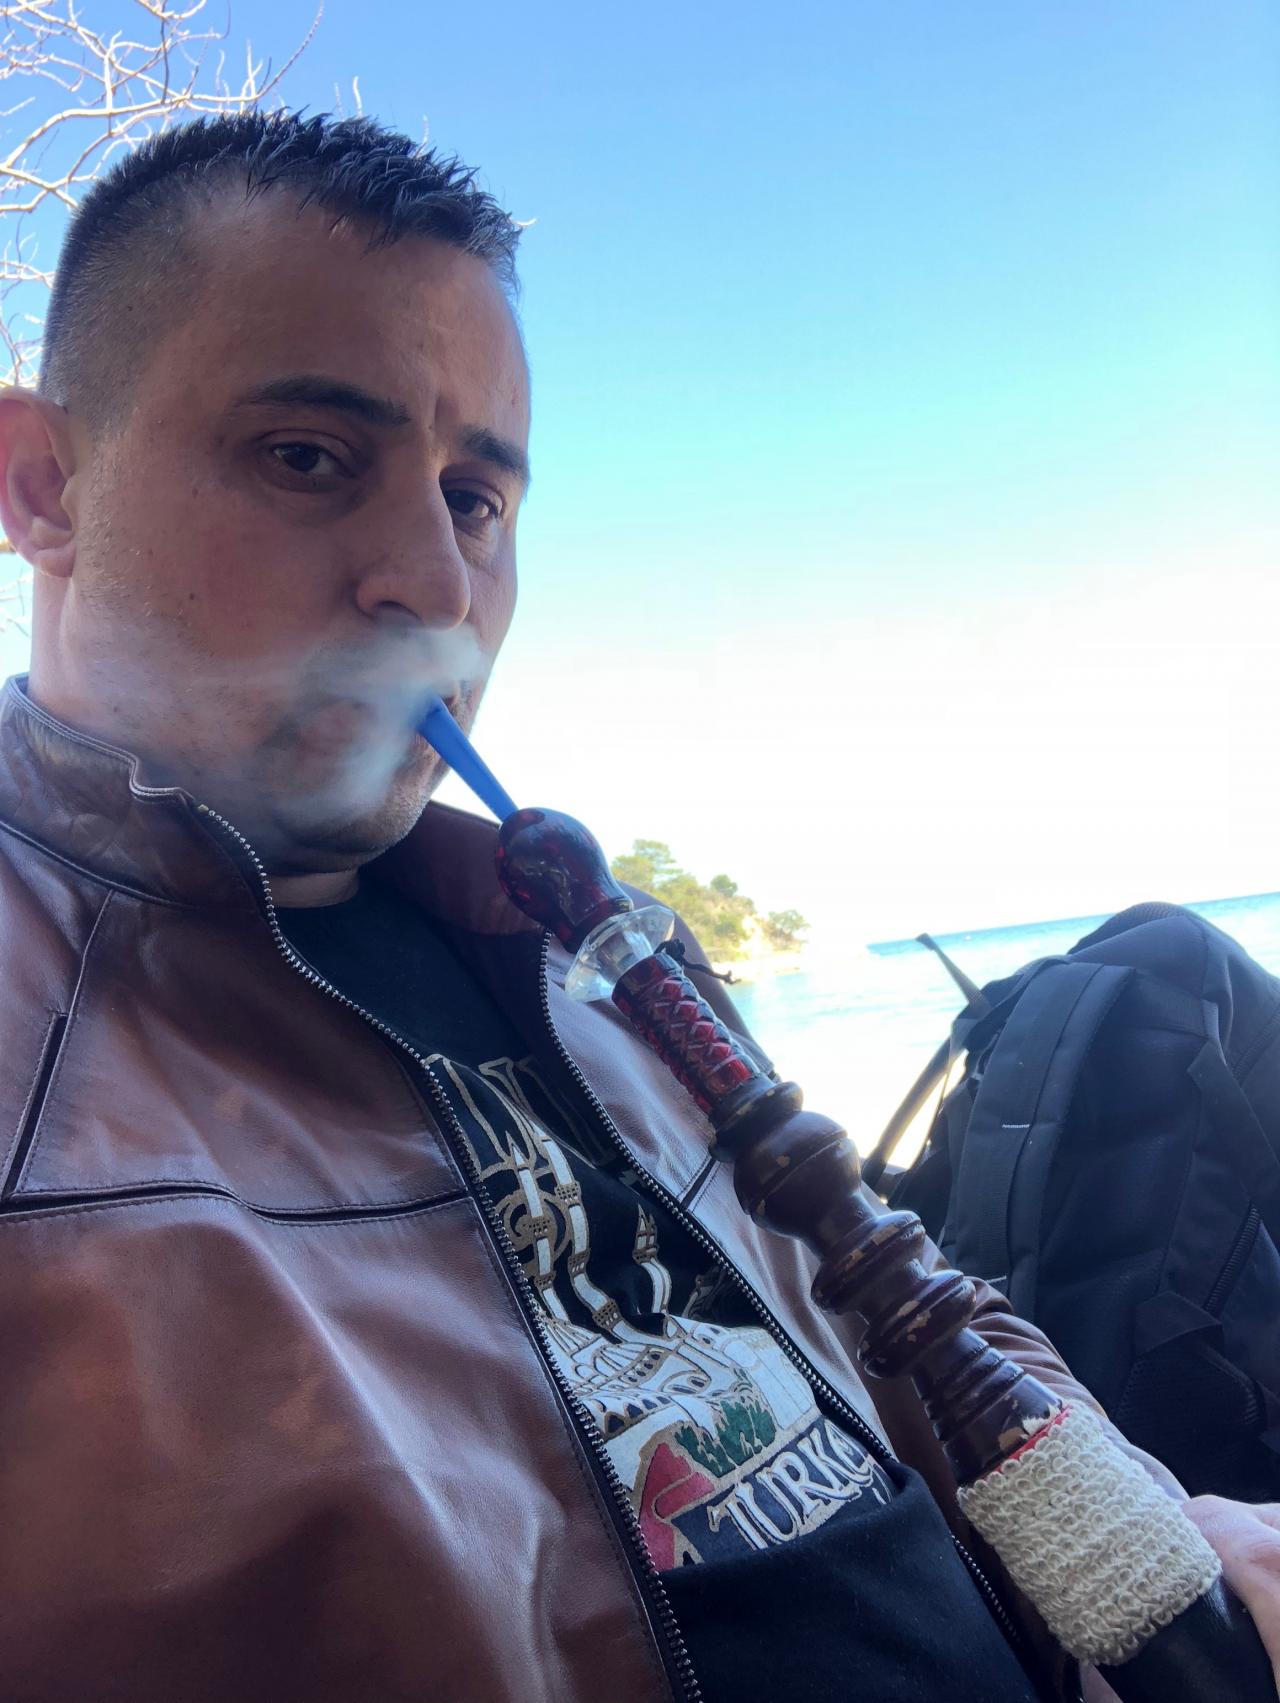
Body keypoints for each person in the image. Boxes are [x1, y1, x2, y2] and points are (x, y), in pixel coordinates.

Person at [0, 110, 1273, 1703]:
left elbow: (906, 1302)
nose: (435, 587)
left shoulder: (600, 950)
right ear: (45, 486)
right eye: (307, 457)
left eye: (475, 498)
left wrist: (1162, 1537)